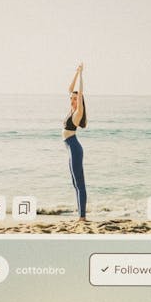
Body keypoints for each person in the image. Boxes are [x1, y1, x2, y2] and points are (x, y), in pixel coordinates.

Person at [62, 61, 87, 220]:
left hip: (75, 148)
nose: (72, 99)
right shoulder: (71, 108)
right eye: (72, 98)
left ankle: (82, 217)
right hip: (70, 148)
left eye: (75, 98)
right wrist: (76, 72)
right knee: (75, 184)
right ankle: (80, 215)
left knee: (80, 184)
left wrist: (82, 75)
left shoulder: (78, 113)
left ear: (80, 100)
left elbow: (79, 91)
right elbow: (70, 89)